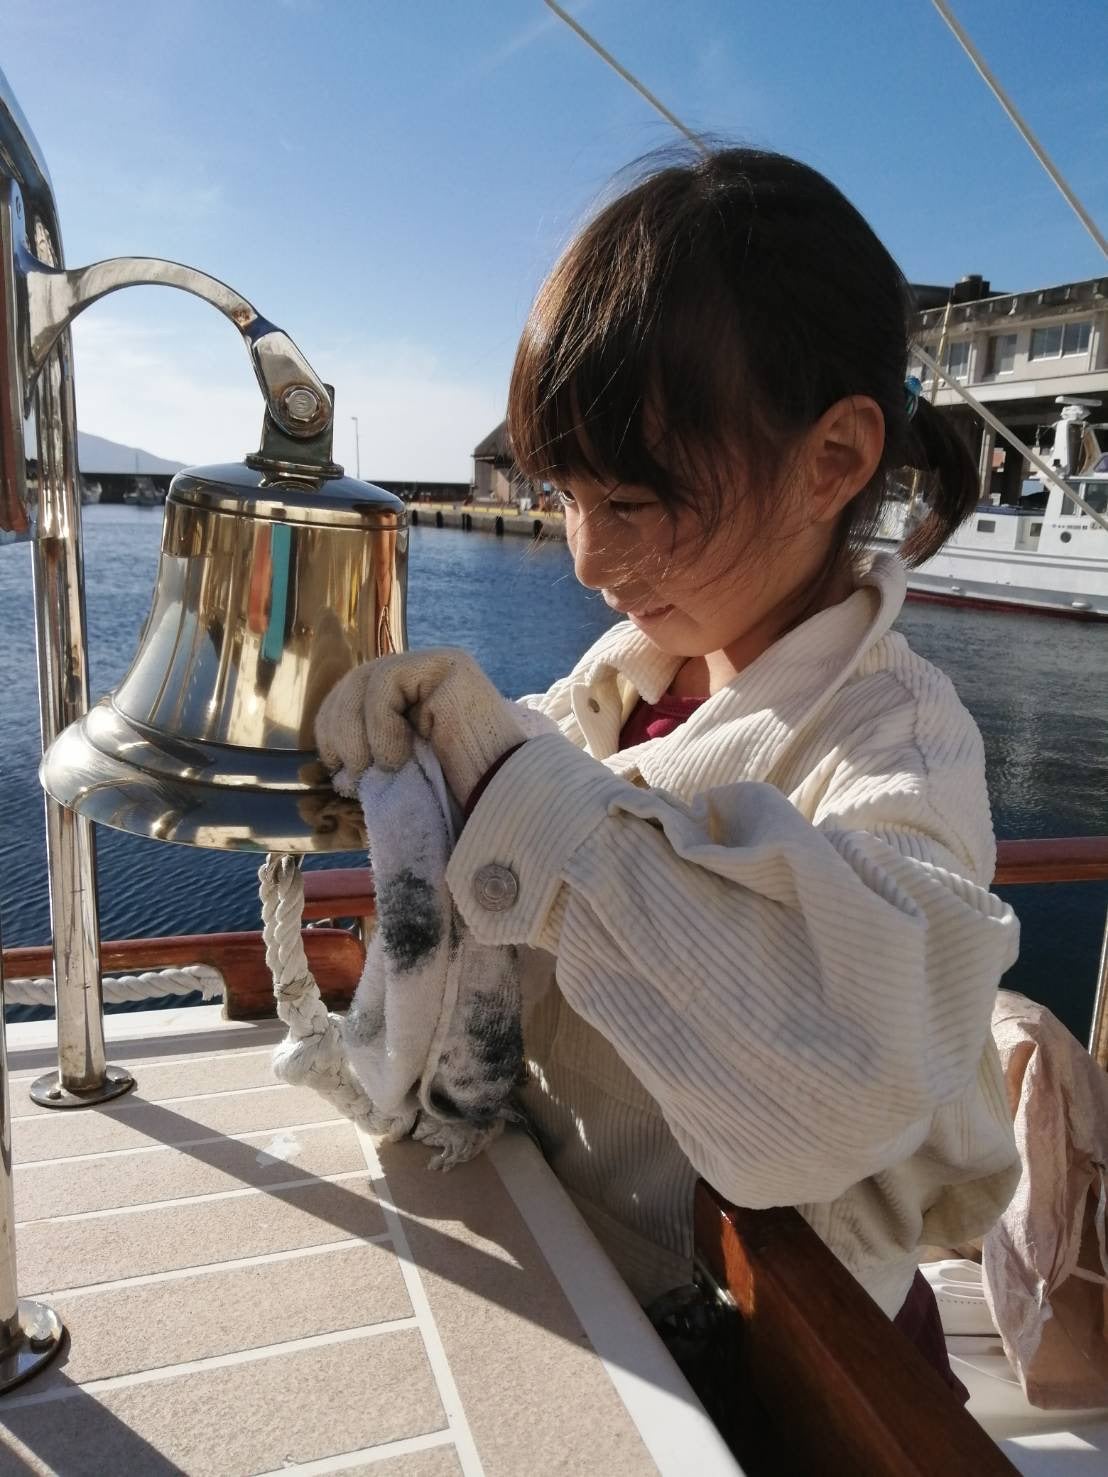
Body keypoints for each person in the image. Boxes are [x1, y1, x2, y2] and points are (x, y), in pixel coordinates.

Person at [316, 147, 1020, 1395]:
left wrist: (512, 791)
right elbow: (531, 781)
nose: (585, 557)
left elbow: (853, 1064)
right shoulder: (629, 679)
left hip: (800, 1374)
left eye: (633, 501)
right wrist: (412, 764)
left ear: (832, 460)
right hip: (587, 1282)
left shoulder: (898, 746)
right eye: (564, 494)